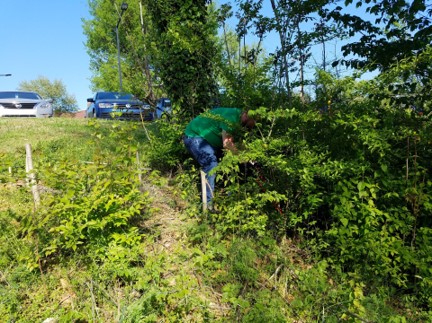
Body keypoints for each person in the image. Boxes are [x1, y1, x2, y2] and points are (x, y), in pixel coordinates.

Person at [183, 107, 255, 208]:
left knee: (230, 161)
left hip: (207, 141)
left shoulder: (238, 122)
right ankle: (208, 206)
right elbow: (227, 144)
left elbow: (236, 144)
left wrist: (249, 155)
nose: (252, 126)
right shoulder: (231, 118)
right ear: (246, 116)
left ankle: (229, 201)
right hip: (195, 136)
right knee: (211, 164)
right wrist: (242, 156)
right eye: (252, 122)